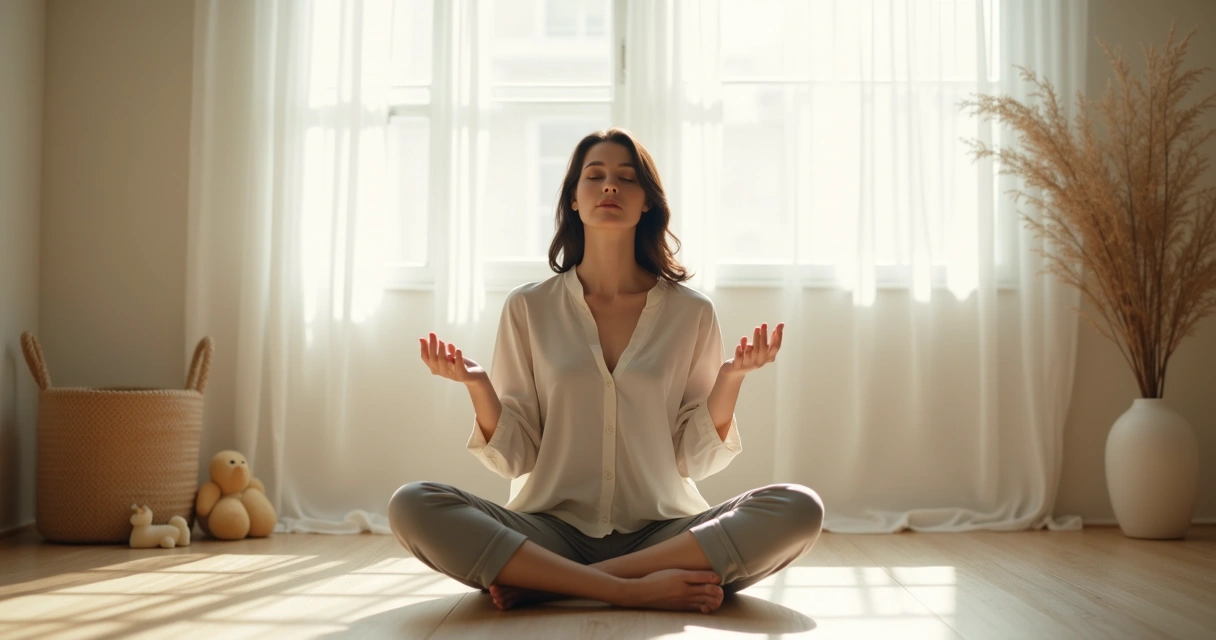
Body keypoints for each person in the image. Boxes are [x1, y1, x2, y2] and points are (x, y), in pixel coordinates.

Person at [389, 128, 823, 614]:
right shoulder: (529, 307)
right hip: (549, 531)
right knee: (413, 504)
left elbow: (693, 460)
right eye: (594, 176)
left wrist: (731, 379)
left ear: (647, 202)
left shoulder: (692, 313)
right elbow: (516, 457)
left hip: (665, 535)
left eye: (626, 178)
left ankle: (552, 584)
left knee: (799, 507)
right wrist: (478, 386)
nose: (610, 186)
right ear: (574, 200)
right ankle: (628, 588)